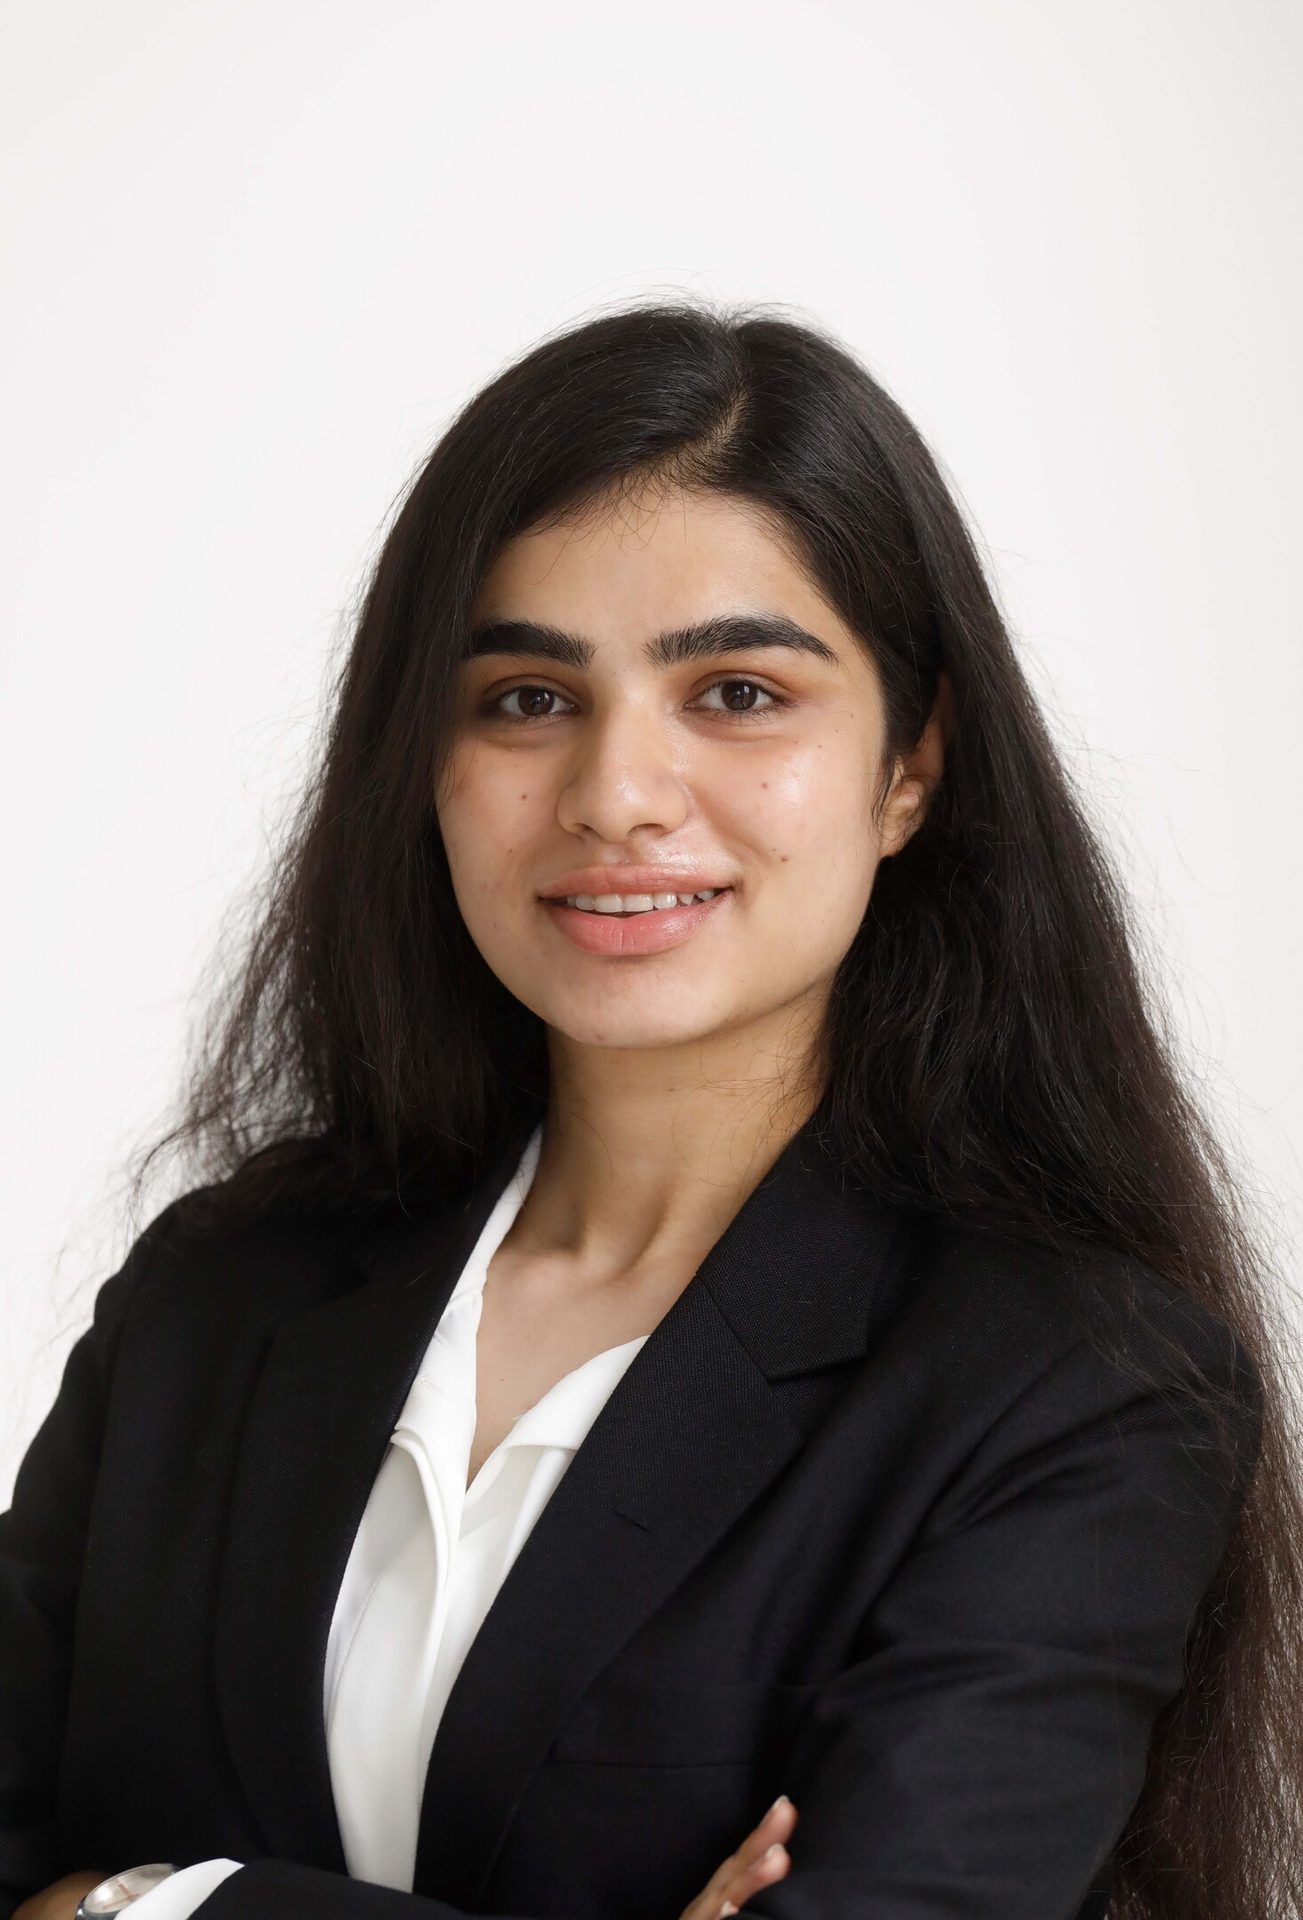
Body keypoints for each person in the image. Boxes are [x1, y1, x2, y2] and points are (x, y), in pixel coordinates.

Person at [4, 299, 1300, 1920]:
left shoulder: (1076, 1393)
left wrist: (146, 1904)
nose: (615, 794)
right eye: (526, 698)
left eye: (739, 693)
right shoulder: (216, 1292)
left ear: (910, 766)